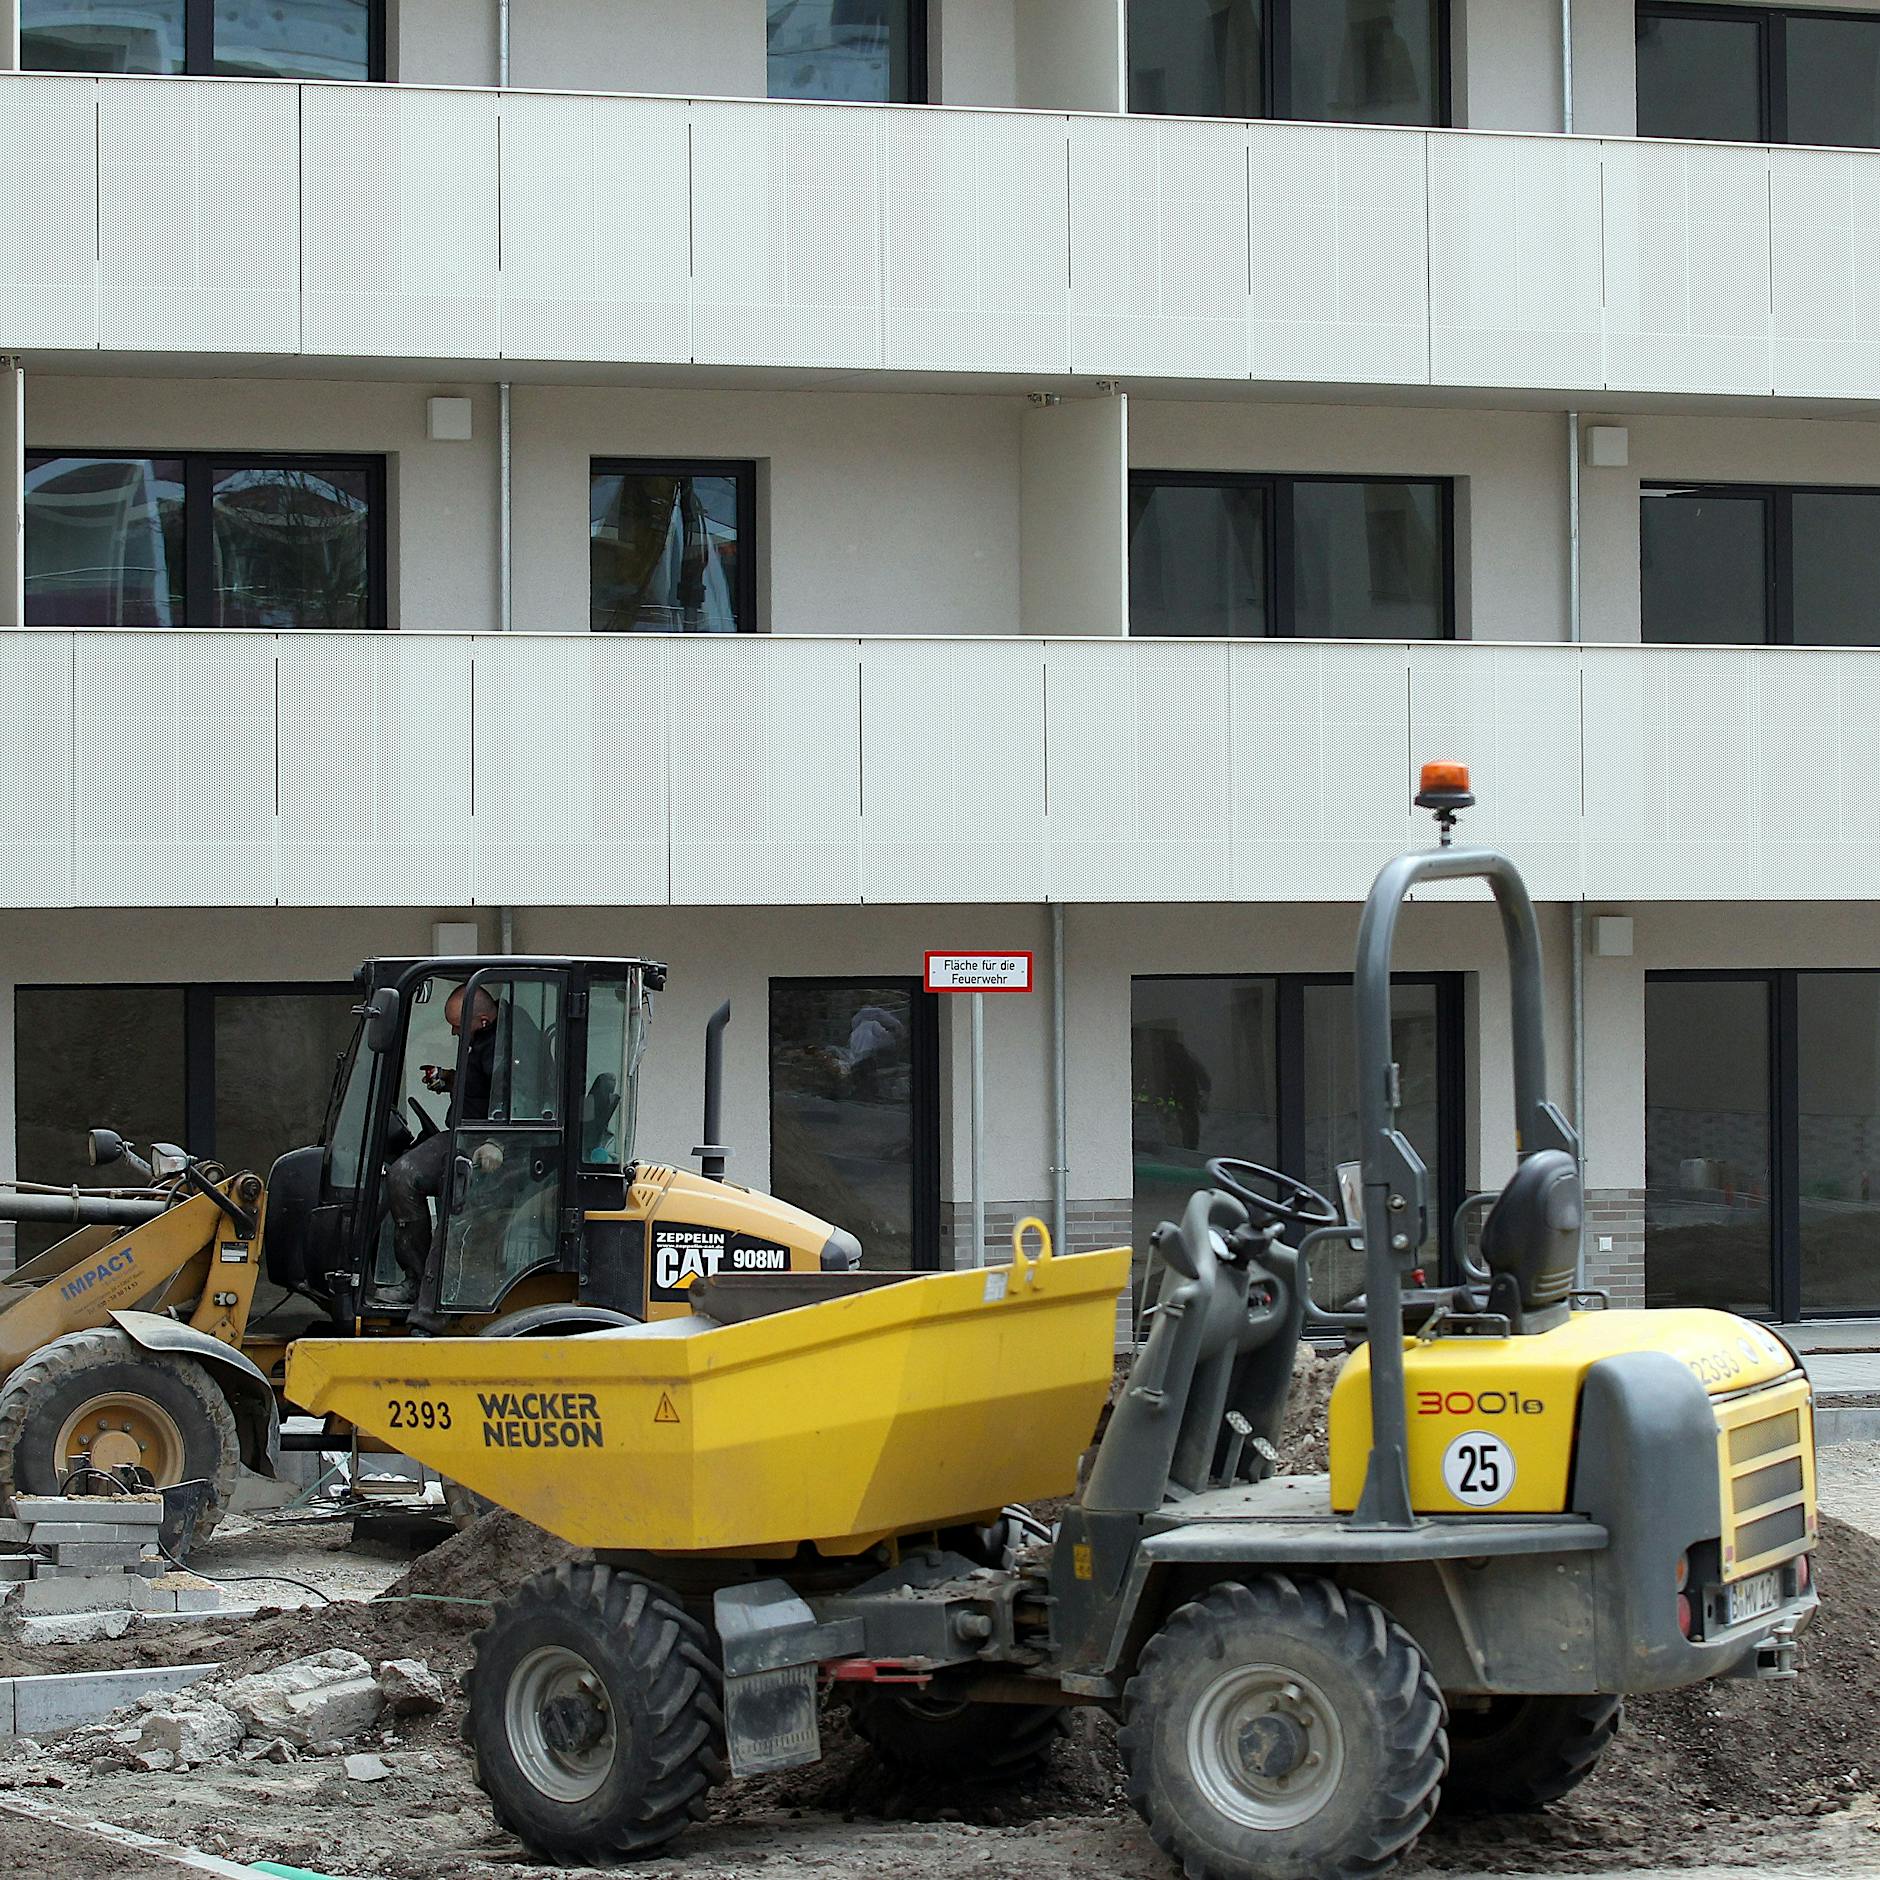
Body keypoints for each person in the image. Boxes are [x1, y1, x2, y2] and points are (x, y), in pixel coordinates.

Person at [381, 983, 499, 1310]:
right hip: (464, 1134)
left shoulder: (510, 1047)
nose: (453, 1033)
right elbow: (483, 1088)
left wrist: (496, 1142)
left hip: (483, 1145)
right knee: (402, 1173)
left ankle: (430, 1295)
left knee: (417, 1178)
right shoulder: (484, 1042)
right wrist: (448, 1078)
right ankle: (418, 1281)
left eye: (458, 1027)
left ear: (484, 1021)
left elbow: (525, 1096)